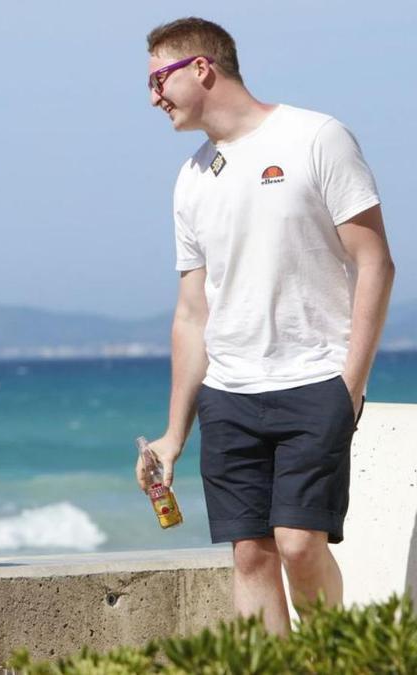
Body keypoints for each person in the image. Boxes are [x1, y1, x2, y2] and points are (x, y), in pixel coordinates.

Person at [139, 18, 395, 635]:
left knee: (301, 545)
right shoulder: (191, 178)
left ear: (201, 68)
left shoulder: (316, 137)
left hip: (315, 381)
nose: (152, 98)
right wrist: (175, 433)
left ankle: (338, 656)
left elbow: (374, 262)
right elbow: (192, 311)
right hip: (228, 394)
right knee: (251, 554)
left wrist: (349, 386)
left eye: (157, 79)